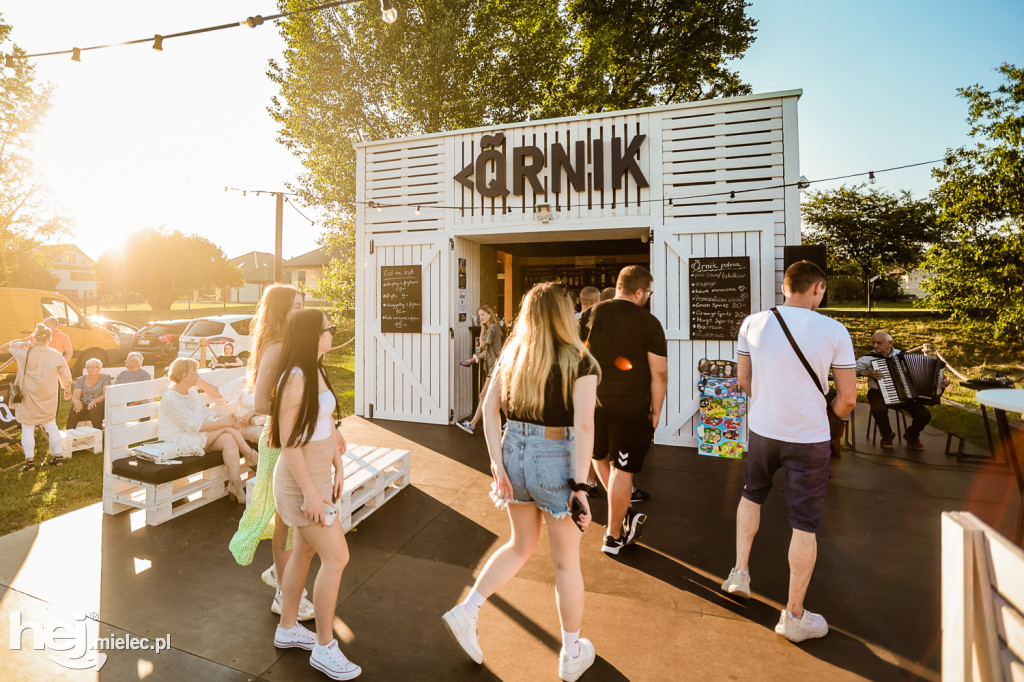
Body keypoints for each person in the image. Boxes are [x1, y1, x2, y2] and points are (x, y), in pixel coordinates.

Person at [442, 283, 599, 682]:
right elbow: (583, 425)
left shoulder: (513, 354)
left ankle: (469, 609)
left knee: (519, 544)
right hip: (556, 454)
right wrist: (580, 487)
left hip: (514, 449)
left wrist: (497, 462)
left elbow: (488, 409)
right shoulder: (580, 359)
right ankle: (571, 651)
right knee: (566, 563)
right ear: (566, 314)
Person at [721, 260, 857, 643]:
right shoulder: (834, 330)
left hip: (762, 431)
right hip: (809, 439)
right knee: (804, 523)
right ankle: (794, 615)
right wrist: (826, 419)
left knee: (751, 495)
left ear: (784, 288)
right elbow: (847, 398)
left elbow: (743, 381)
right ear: (818, 288)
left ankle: (739, 574)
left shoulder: (752, 323)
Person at [269, 309, 360, 681]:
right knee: (337, 557)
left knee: (305, 553)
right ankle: (325, 648)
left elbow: (324, 424)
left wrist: (338, 463)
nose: (332, 333)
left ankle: (287, 628)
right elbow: (288, 442)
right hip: (299, 481)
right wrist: (310, 493)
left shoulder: (317, 368)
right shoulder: (295, 378)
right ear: (311, 335)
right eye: (328, 329)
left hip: (320, 474)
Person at [228, 284, 315, 622]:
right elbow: (262, 401)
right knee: (286, 520)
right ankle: (283, 592)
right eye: (296, 306)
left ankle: (280, 576)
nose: (301, 310)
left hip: (296, 437)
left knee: (291, 519)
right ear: (280, 311)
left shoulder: (292, 345)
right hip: (279, 439)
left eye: (303, 304)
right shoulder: (276, 348)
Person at [580, 265, 667, 555]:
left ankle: (624, 512)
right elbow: (660, 374)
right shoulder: (649, 322)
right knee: (622, 469)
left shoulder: (591, 314)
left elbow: (578, 356)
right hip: (629, 406)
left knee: (598, 457)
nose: (648, 297)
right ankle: (613, 536)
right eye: (649, 293)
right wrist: (656, 411)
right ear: (640, 291)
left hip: (592, 401)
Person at [158, 358, 256, 503]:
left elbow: (206, 413)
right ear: (184, 375)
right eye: (195, 373)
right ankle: (250, 454)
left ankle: (235, 485)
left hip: (198, 434)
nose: (197, 376)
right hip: (179, 440)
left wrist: (226, 419)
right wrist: (226, 423)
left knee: (229, 439)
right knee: (226, 428)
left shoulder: (191, 391)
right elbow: (193, 427)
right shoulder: (170, 400)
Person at [3, 324, 73, 469]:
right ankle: (58, 458)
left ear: (34, 337)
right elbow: (66, 375)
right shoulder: (55, 354)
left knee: (27, 428)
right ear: (49, 339)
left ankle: (30, 463)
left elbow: (11, 345)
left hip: (27, 397)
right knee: (52, 426)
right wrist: (67, 390)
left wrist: (26, 342)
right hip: (48, 396)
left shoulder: (23, 353)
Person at [855, 331, 933, 450]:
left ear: (890, 343)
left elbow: (920, 373)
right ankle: (887, 434)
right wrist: (865, 372)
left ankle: (911, 435)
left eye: (879, 343)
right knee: (878, 408)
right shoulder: (868, 358)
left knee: (924, 415)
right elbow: (849, 371)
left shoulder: (902, 355)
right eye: (873, 343)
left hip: (903, 393)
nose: (875, 346)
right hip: (878, 392)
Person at [456, 304, 503, 435]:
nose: (480, 317)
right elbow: (486, 352)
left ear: (490, 314)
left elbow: (482, 345)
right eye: (479, 315)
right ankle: (512, 423)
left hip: (495, 367)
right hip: (494, 367)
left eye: (483, 315)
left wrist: (482, 328)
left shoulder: (493, 328)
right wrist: (473, 359)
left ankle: (472, 424)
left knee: (483, 395)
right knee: (499, 399)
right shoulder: (492, 329)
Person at [66, 358, 112, 429]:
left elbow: (105, 395)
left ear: (99, 368)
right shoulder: (80, 379)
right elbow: (75, 396)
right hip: (84, 404)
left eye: (93, 367)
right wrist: (77, 402)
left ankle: (98, 434)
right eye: (88, 367)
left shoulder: (105, 378)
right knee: (75, 408)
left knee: (94, 408)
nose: (91, 369)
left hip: (99, 403)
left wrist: (94, 401)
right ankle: (69, 434)